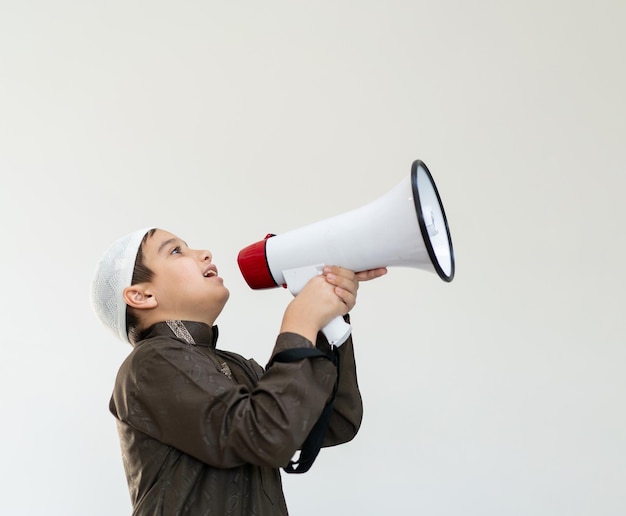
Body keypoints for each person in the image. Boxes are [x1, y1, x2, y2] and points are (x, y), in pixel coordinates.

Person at [90, 226, 387, 515]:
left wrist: (327, 320)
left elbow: (335, 420)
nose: (204, 253)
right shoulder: (150, 363)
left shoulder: (236, 367)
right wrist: (301, 319)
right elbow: (267, 433)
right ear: (141, 296)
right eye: (176, 251)